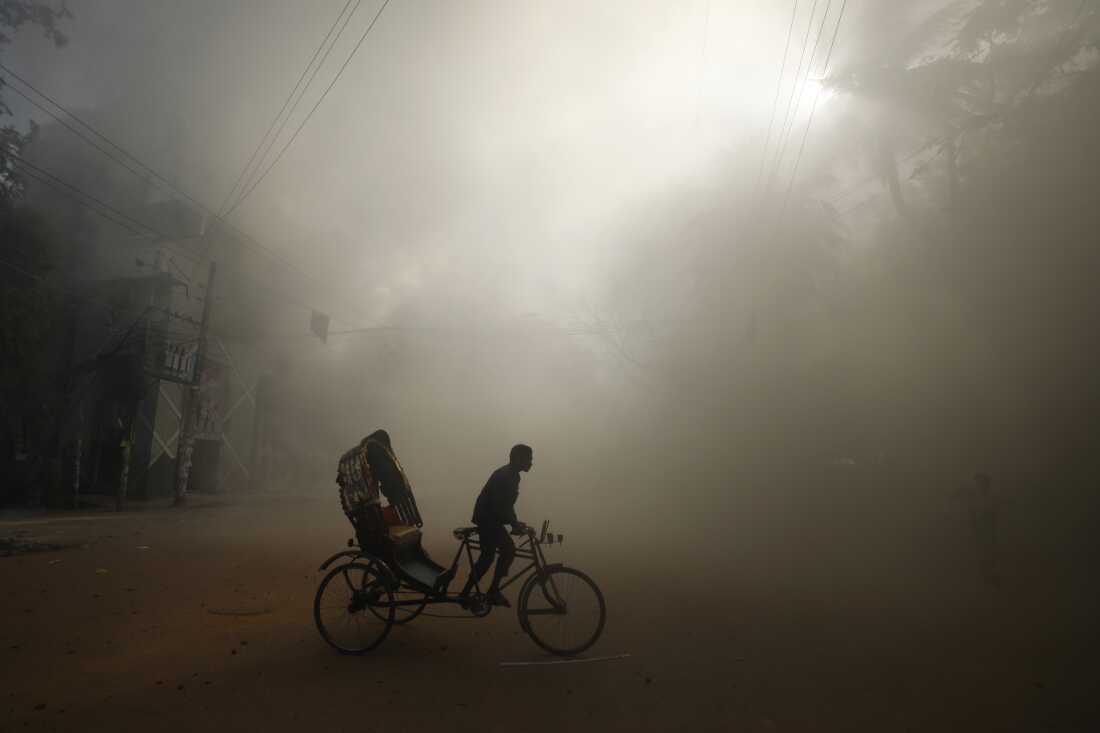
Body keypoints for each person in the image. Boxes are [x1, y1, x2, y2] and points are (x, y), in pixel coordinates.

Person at [460, 444, 533, 607]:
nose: (531, 462)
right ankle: (489, 591)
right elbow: (500, 506)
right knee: (502, 552)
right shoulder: (507, 475)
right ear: (519, 459)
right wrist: (514, 523)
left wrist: (515, 522)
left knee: (490, 556)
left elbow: (507, 505)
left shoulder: (512, 475)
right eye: (529, 458)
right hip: (487, 519)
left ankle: (471, 592)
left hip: (491, 518)